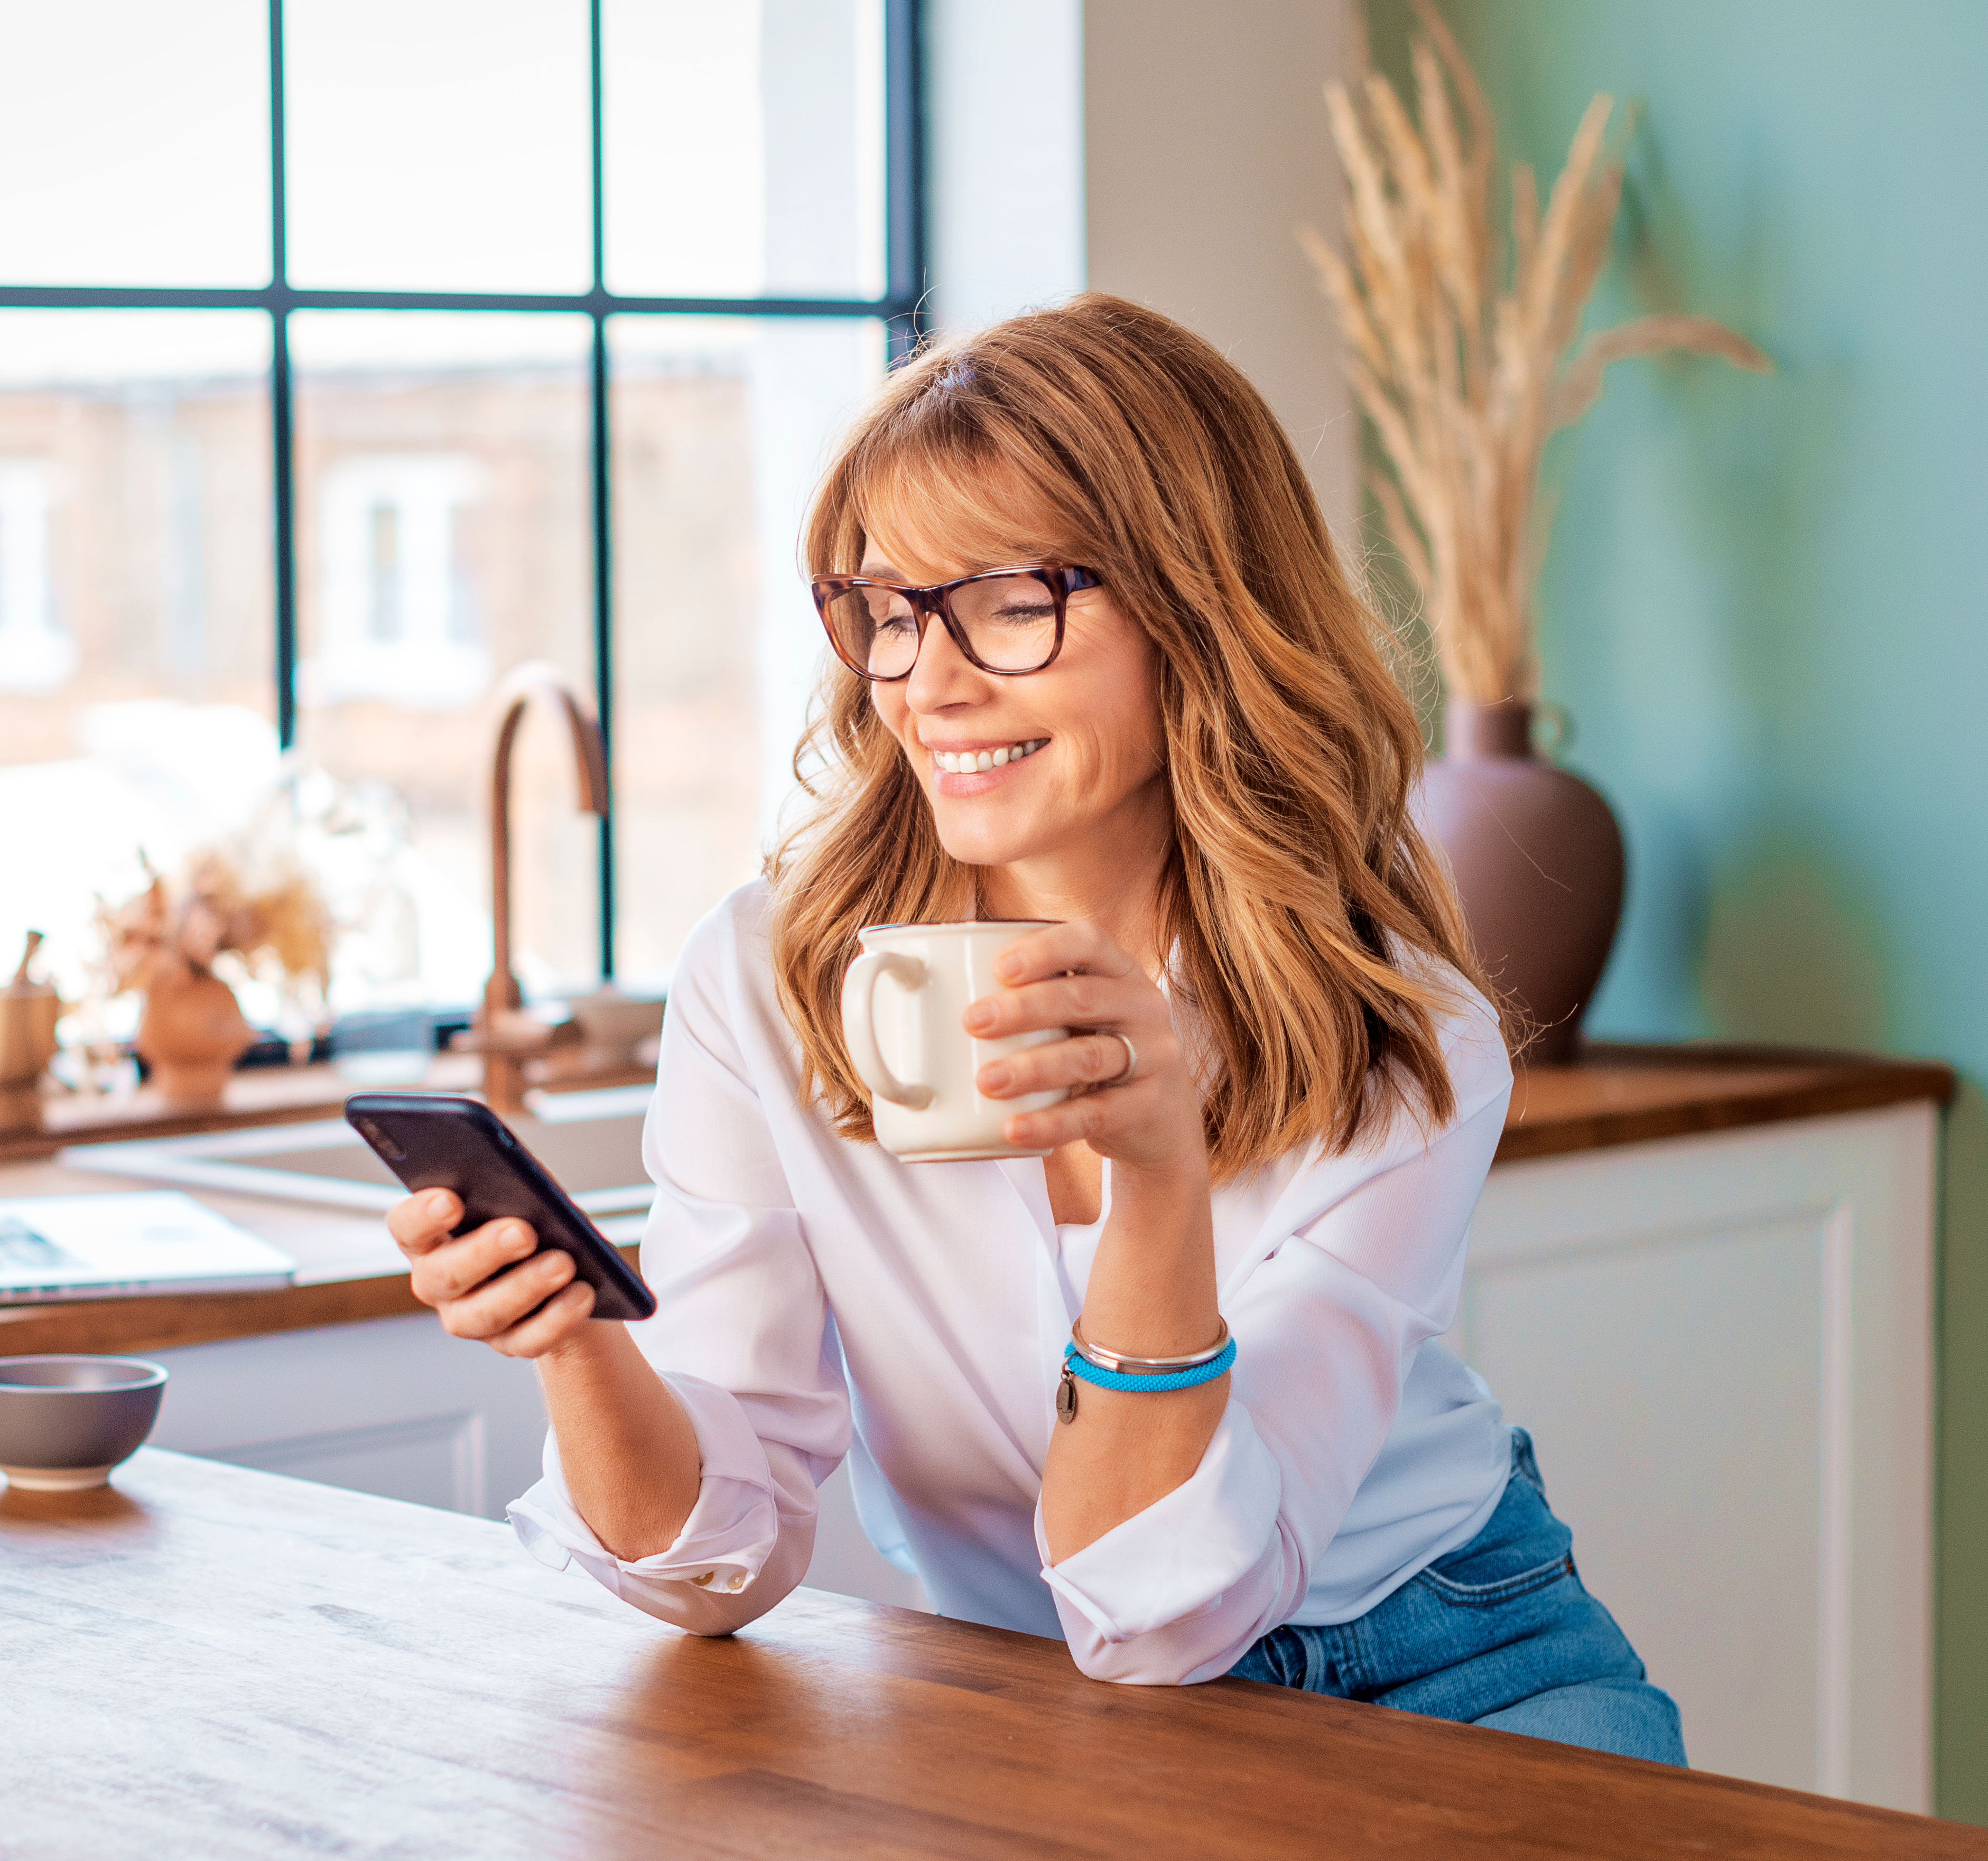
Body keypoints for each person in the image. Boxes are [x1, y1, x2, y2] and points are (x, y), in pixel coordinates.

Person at [385, 295, 1684, 1764]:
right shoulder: (768, 980)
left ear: (1197, 606)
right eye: (889, 608)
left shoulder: (1404, 1036)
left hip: (1461, 1652)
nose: (931, 679)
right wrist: (576, 1340)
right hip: (1052, 1696)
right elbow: (719, 1561)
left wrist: (1160, 1174)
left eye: (1011, 600)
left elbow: (1175, 1603)